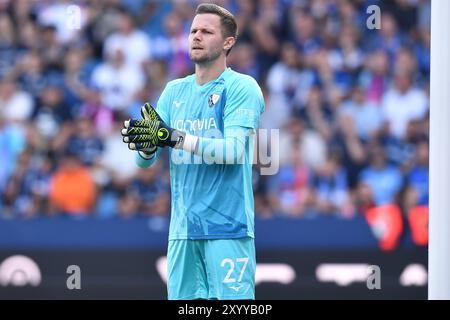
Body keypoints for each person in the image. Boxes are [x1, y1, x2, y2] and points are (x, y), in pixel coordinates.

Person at [121, 3, 264, 300]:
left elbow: (234, 151)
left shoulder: (241, 87)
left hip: (228, 227)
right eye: (193, 31)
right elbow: (144, 162)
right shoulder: (174, 91)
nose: (196, 36)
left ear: (228, 43)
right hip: (183, 232)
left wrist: (173, 137)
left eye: (206, 31)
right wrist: (147, 145)